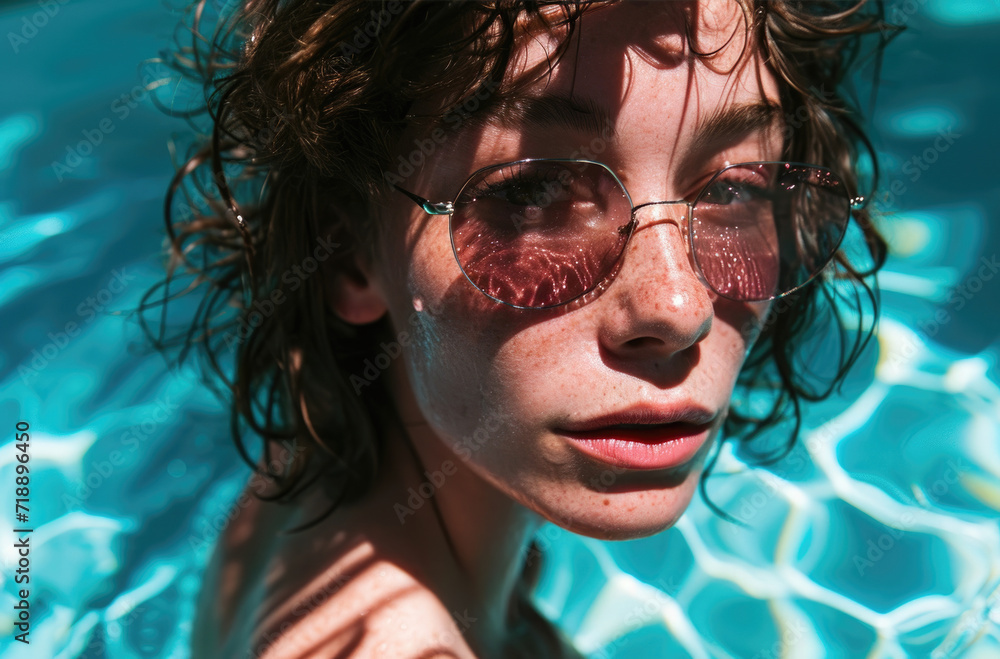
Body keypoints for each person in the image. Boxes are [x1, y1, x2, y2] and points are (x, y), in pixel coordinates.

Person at [143, 1, 894, 656]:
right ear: (347, 254)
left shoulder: (327, 450)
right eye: (535, 194)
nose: (676, 306)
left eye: (734, 186)